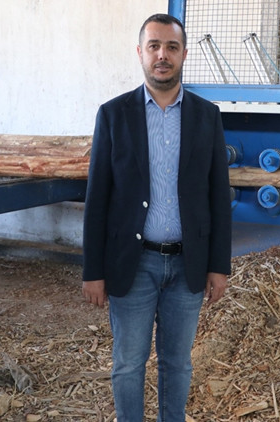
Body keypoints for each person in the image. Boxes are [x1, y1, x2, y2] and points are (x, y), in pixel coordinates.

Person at [81, 13, 232, 422]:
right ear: (140, 52)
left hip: (188, 264)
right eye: (154, 46)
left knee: (178, 364)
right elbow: (97, 199)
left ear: (184, 54)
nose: (162, 55)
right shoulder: (114, 114)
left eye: (171, 47)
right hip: (133, 264)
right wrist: (93, 271)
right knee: (129, 363)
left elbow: (219, 195)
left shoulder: (207, 115)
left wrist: (219, 266)